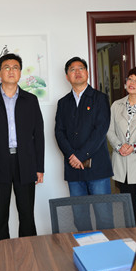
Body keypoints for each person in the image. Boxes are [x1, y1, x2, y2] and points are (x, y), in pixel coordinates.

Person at [0, 53, 44, 242]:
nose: (11, 71)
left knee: (27, 215)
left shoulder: (30, 100)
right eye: (6, 67)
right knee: (0, 216)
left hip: (26, 163)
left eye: (15, 67)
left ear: (20, 72)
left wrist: (39, 167)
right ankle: (2, 256)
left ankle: (29, 254)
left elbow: (39, 136)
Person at [55, 56, 113, 230]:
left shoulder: (100, 98)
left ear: (87, 73)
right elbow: (59, 132)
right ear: (67, 77)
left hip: (97, 168)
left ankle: (107, 247)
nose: (77, 72)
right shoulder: (63, 103)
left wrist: (80, 156)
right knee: (80, 217)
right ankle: (85, 246)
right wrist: (71, 156)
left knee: (104, 216)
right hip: (73, 168)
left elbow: (100, 131)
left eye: (81, 68)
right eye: (72, 70)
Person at [107, 66, 136, 227]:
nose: (132, 83)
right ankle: (133, 237)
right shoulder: (116, 105)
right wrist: (119, 146)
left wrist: (134, 146)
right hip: (122, 162)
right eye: (130, 79)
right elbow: (109, 130)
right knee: (128, 207)